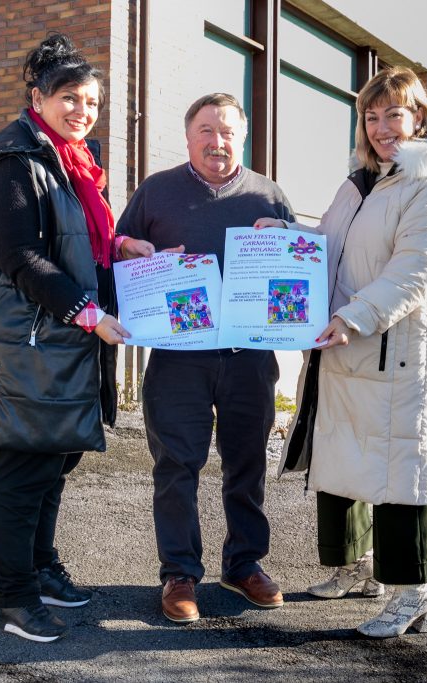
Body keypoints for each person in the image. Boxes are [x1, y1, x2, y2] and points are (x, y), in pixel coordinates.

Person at [257, 66, 427, 638]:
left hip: (391, 354)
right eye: (372, 116)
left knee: (397, 472)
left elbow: (416, 270)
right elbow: (329, 248)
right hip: (344, 350)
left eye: (394, 115)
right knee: (342, 460)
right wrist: (285, 239)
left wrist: (353, 316)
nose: (382, 127)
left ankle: (416, 596)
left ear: (420, 117)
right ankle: (358, 570)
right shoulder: (360, 182)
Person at [0, 33, 154, 643]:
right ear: (38, 97)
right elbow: (21, 257)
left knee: (50, 465)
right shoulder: (13, 161)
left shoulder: (72, 163)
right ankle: (11, 598)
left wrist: (119, 247)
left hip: (55, 341)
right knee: (20, 470)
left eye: (91, 102)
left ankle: (39, 570)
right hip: (25, 345)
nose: (82, 111)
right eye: (70, 97)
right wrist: (89, 314)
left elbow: (73, 242)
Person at [116, 93, 295, 623]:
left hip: (249, 356)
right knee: (177, 465)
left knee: (247, 464)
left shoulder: (269, 194)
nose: (217, 142)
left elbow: (296, 271)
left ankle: (244, 565)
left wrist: (288, 238)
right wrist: (132, 248)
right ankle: (178, 574)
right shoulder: (157, 190)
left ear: (242, 136)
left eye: (227, 132)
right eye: (206, 131)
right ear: (189, 135)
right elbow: (116, 246)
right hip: (178, 357)